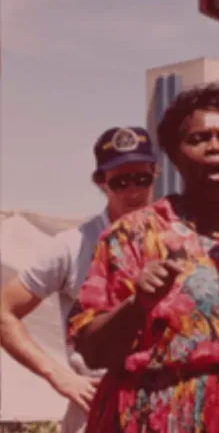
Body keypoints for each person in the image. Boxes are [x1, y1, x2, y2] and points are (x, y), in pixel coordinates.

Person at [67, 85, 219, 432]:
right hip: (157, 420)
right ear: (174, 155)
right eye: (198, 139)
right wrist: (138, 304)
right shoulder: (131, 236)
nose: (215, 147)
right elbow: (92, 352)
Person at [0, 126, 158, 433]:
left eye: (142, 178)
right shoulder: (73, 245)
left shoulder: (179, 240)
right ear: (101, 182)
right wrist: (58, 375)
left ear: (156, 172)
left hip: (170, 402)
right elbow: (4, 311)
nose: (133, 192)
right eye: (120, 181)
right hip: (99, 404)